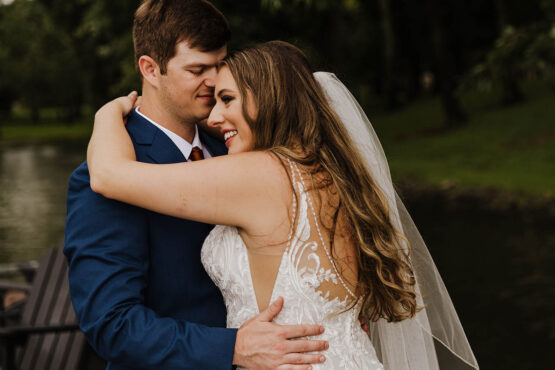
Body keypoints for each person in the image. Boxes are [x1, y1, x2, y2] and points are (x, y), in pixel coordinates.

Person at [87, 41, 480, 369]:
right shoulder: (338, 174)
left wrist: (109, 115)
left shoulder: (261, 175)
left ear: (269, 99)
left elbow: (107, 174)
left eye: (227, 99)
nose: (214, 116)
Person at [64, 1, 327, 369]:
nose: (214, 80)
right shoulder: (105, 174)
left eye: (220, 65)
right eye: (197, 69)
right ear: (150, 69)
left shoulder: (241, 146)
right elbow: (112, 324)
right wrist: (232, 348)